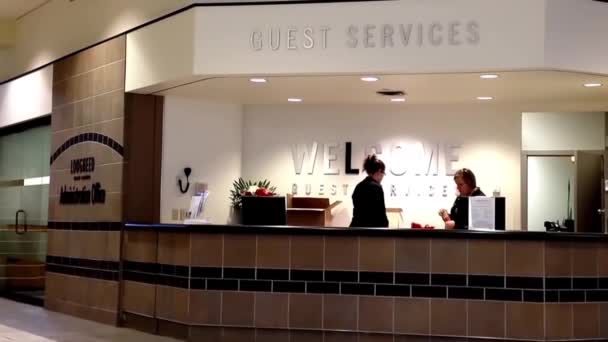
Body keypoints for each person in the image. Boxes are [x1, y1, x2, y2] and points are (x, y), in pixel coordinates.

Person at [350, 154, 389, 228]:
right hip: (371, 232)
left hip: (356, 229)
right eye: (383, 173)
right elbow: (381, 214)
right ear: (379, 171)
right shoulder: (377, 188)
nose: (383, 176)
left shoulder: (358, 186)